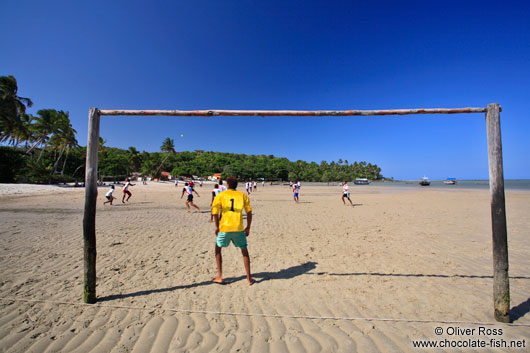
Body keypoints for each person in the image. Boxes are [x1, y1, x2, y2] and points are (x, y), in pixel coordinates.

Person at [211, 176, 254, 286]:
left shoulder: (220, 195)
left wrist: (217, 226)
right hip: (238, 228)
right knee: (244, 251)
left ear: (227, 185)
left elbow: (214, 212)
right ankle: (249, 279)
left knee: (218, 250)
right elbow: (249, 213)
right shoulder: (243, 195)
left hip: (224, 228)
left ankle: (220, 276)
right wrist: (248, 227)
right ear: (236, 185)